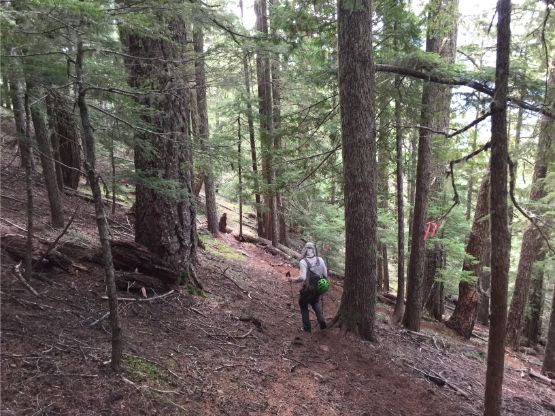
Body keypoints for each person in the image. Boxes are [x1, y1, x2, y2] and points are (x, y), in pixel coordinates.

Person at [289, 242, 328, 332]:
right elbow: (325, 274)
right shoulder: (320, 259)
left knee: (303, 304)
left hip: (308, 289)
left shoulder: (303, 262)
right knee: (315, 302)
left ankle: (307, 328)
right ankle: (321, 320)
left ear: (305, 250)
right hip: (318, 288)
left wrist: (292, 279)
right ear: (314, 249)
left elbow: (302, 278)